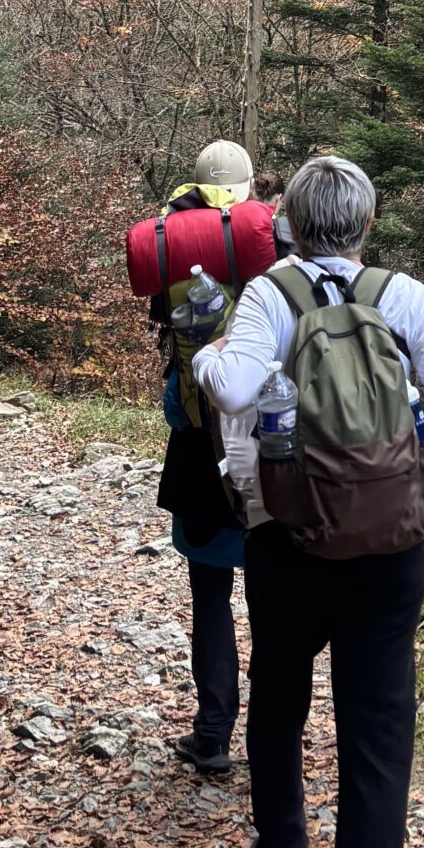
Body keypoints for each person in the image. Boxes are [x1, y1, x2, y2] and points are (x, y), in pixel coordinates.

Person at [194, 154, 424, 848]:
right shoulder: (401, 295)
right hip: (390, 549)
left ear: (285, 221)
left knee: (279, 701)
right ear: (365, 223)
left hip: (289, 541)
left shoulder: (269, 296)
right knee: (375, 748)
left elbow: (236, 388)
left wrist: (213, 356)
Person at [157, 137, 258, 775]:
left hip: (200, 458)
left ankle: (214, 733)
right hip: (270, 454)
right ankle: (276, 735)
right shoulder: (271, 251)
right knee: (273, 603)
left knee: (210, 599)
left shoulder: (176, 260)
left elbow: (174, 404)